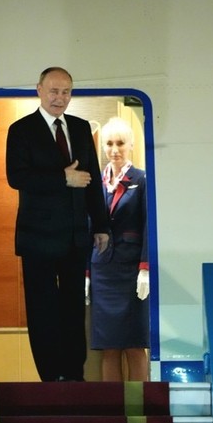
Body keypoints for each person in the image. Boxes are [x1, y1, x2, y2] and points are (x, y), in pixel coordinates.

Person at [5, 67, 110, 382]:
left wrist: (101, 225)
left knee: (74, 309)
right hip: (37, 238)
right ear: (39, 89)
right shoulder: (21, 129)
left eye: (65, 92)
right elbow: (17, 177)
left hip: (76, 236)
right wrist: (62, 178)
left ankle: (73, 374)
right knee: (43, 310)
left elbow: (91, 181)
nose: (59, 98)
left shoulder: (79, 128)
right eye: (53, 91)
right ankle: (50, 377)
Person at [89, 117, 150, 381]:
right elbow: (86, 227)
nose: (114, 149)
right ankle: (112, 409)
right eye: (109, 143)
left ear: (131, 145)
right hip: (103, 270)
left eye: (120, 143)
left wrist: (145, 268)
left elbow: (149, 225)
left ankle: (144, 408)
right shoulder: (95, 183)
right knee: (109, 347)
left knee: (135, 346)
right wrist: (86, 273)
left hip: (131, 270)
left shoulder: (143, 179)